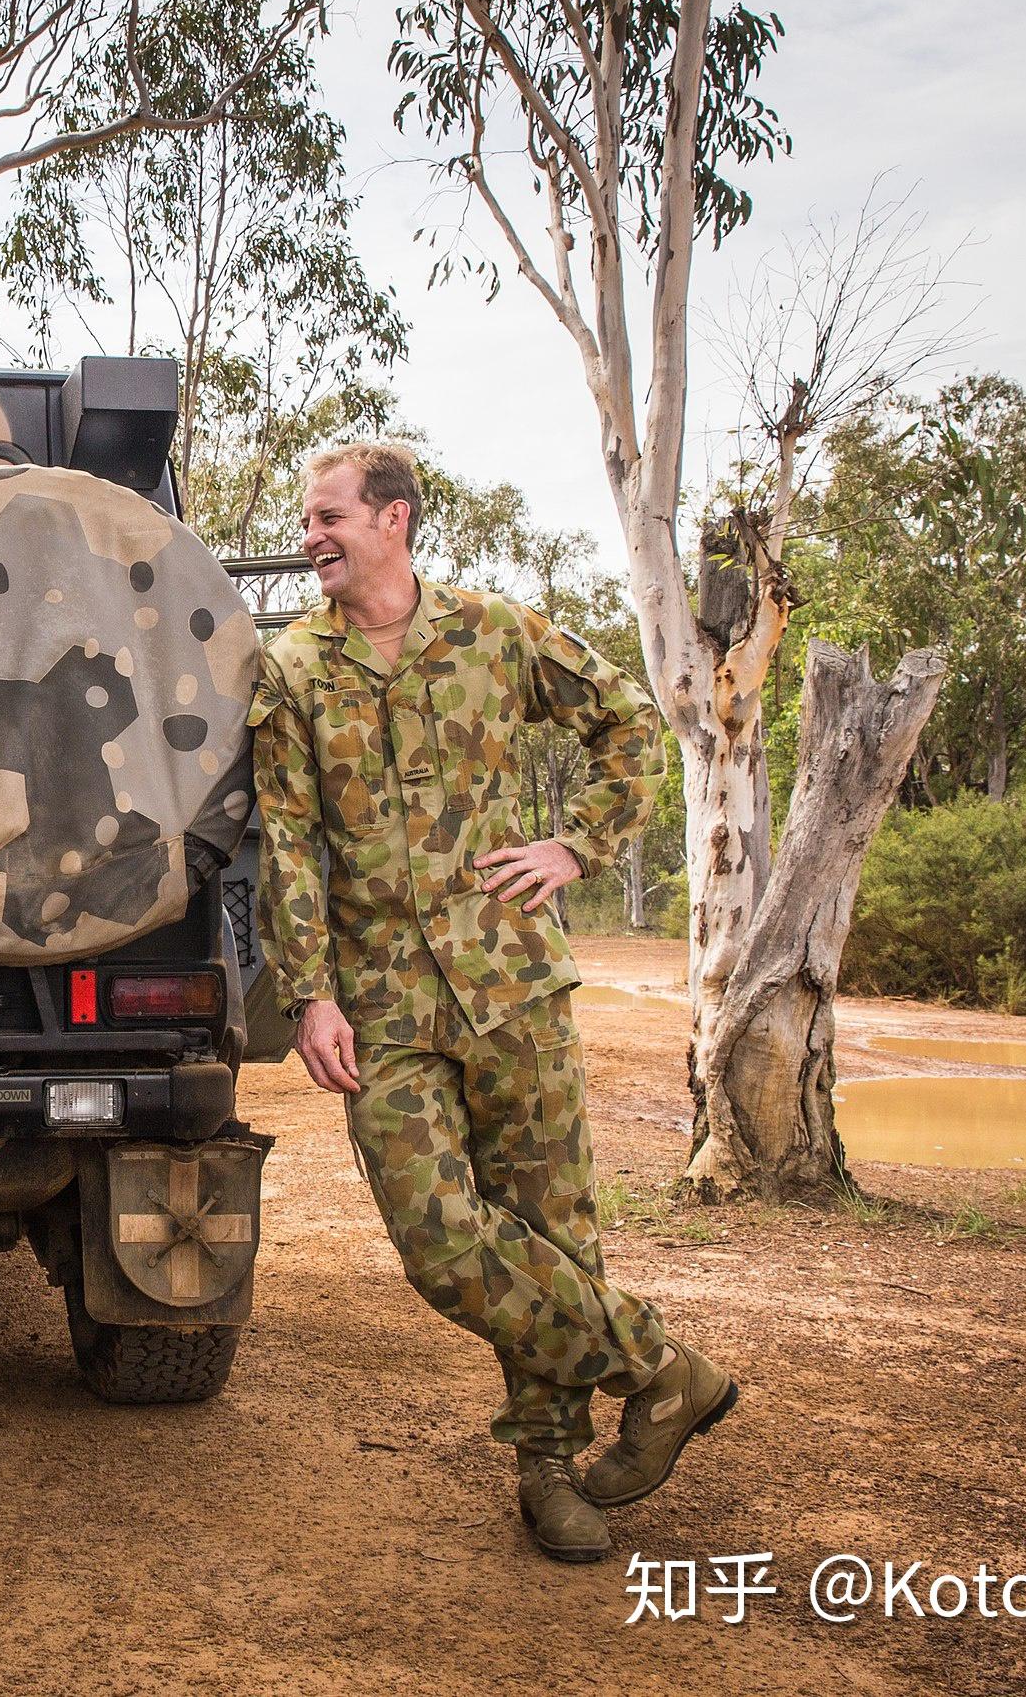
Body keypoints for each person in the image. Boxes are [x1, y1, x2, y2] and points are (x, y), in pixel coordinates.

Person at [248, 443, 737, 1564]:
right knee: (440, 1240)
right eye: (308, 520)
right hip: (381, 1006)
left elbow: (625, 724)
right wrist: (310, 996)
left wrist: (575, 845)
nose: (310, 535)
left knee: (552, 1230)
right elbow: (287, 840)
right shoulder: (291, 668)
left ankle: (546, 1469)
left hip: (512, 983)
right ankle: (664, 1373)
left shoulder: (494, 633)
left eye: (327, 517)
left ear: (393, 519)